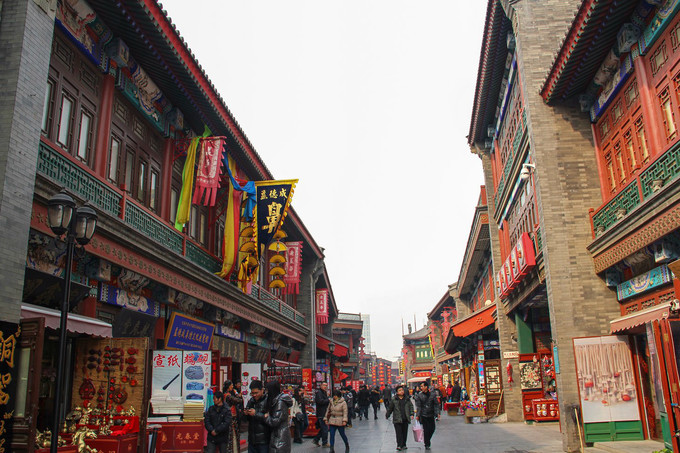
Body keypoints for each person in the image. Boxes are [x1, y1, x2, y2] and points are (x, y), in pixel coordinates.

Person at [263, 380, 292, 453]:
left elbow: (275, 421)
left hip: (280, 436)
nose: (266, 393)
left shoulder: (280, 403)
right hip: (277, 434)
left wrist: (266, 417)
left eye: (267, 390)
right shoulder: (275, 401)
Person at [244, 380, 270, 453]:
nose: (254, 395)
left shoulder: (268, 401)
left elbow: (270, 419)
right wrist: (246, 414)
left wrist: (256, 414)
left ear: (262, 390)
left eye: (256, 393)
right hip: (252, 440)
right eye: (252, 393)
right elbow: (246, 419)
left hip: (264, 440)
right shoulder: (251, 401)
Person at [385, 385, 414, 451]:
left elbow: (411, 406)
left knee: (404, 432)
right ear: (397, 392)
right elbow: (390, 408)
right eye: (399, 390)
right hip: (397, 418)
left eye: (402, 390)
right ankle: (399, 445)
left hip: (405, 418)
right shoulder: (394, 399)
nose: (401, 391)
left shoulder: (407, 399)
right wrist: (387, 414)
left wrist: (411, 414)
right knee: (399, 433)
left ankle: (404, 444)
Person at [414, 381, 440, 450]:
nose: (421, 388)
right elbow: (418, 406)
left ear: (426, 387)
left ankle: (427, 439)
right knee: (426, 429)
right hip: (423, 415)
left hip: (431, 414)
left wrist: (437, 412)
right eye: (421, 386)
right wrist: (418, 415)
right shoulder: (419, 395)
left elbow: (436, 404)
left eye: (422, 386)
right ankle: (427, 443)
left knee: (432, 428)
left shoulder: (432, 394)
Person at [223, 380, 244, 453]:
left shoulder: (225, 395)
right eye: (231, 385)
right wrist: (238, 394)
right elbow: (238, 400)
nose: (232, 387)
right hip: (231, 418)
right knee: (232, 436)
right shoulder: (228, 396)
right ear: (228, 386)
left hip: (228, 417)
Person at [312, 382, 330, 447]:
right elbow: (320, 401)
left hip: (324, 413)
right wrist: (328, 400)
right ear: (321, 385)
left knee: (323, 428)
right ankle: (324, 442)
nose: (325, 386)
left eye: (326, 385)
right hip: (321, 413)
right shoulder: (319, 393)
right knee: (325, 428)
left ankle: (316, 439)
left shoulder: (324, 392)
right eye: (324, 385)